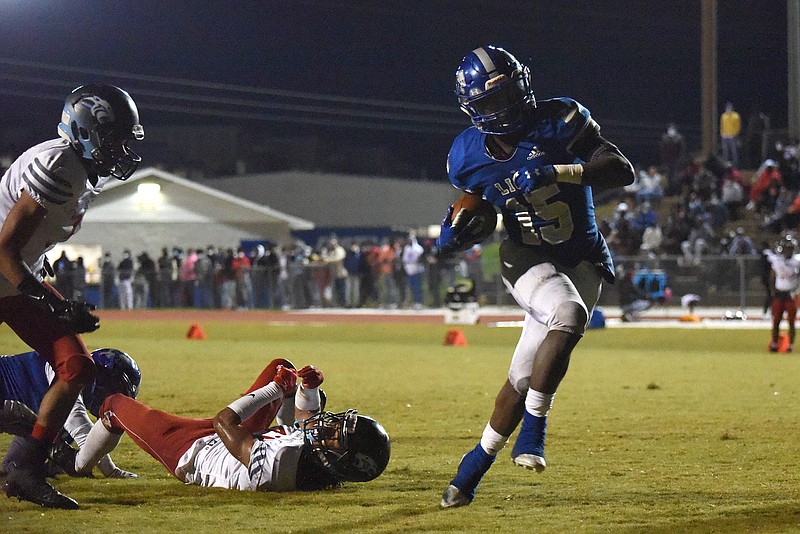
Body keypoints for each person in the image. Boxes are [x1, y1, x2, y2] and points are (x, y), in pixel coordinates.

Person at [436, 45, 634, 508]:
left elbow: (620, 170)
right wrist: (454, 233)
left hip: (583, 259)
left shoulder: (559, 120)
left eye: (509, 93)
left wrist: (557, 171)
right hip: (525, 257)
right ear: (474, 109)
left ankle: (468, 474)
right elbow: (474, 207)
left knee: (523, 375)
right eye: (491, 101)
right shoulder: (466, 154)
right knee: (567, 313)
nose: (505, 108)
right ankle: (535, 431)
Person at [0, 83, 144, 509]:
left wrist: (56, 301)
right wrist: (54, 303)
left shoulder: (76, 169)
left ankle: (25, 468)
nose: (120, 150)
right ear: (86, 132)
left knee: (76, 367)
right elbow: (4, 250)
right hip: (6, 274)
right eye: (114, 139)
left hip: (14, 281)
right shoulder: (59, 165)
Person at [65, 359, 391, 494]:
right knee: (284, 366)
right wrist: (306, 389)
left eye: (337, 434)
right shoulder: (324, 464)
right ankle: (288, 388)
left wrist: (276, 390)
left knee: (114, 406)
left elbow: (225, 422)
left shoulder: (282, 467)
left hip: (195, 453)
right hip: (238, 439)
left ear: (341, 460)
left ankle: (78, 464)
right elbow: (307, 423)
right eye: (340, 425)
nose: (330, 426)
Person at [1, 348, 141, 480]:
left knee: (16, 467)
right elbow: (80, 426)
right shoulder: (70, 366)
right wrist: (111, 471)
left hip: (14, 412)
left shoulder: (78, 369)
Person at [763, 236, 800, 352]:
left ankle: (790, 345)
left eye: (790, 248)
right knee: (776, 321)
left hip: (791, 295)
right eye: (786, 248)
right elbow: (772, 276)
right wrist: (772, 292)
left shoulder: (797, 261)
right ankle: (774, 343)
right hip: (779, 294)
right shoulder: (777, 260)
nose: (788, 250)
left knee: (791, 322)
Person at [720, 101, 742, 166]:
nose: (728, 109)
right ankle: (724, 165)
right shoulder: (723, 116)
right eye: (727, 107)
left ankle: (736, 165)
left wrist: (734, 134)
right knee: (725, 151)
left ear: (732, 108)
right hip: (724, 136)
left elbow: (738, 126)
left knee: (734, 151)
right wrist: (722, 133)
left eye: (729, 107)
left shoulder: (736, 116)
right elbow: (721, 125)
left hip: (733, 137)